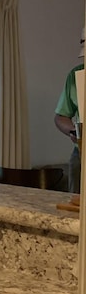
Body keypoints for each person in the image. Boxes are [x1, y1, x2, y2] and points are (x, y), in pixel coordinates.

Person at [54, 26, 85, 193]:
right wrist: (73, 131)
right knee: (75, 209)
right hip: (81, 153)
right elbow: (61, 116)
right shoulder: (76, 75)